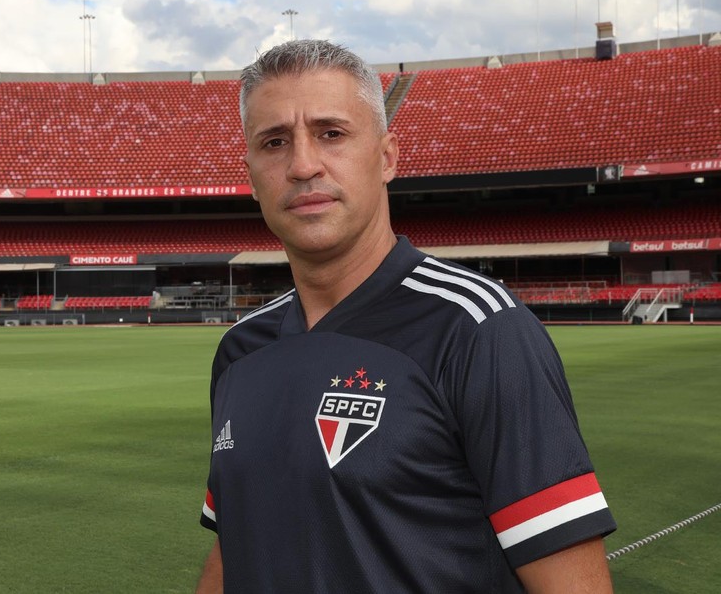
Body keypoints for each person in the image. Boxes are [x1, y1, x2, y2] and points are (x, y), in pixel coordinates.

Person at [196, 40, 616, 592]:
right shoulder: (240, 351)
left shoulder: (479, 330)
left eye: (331, 133)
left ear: (388, 156)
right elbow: (236, 545)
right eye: (274, 142)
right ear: (251, 176)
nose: (302, 165)